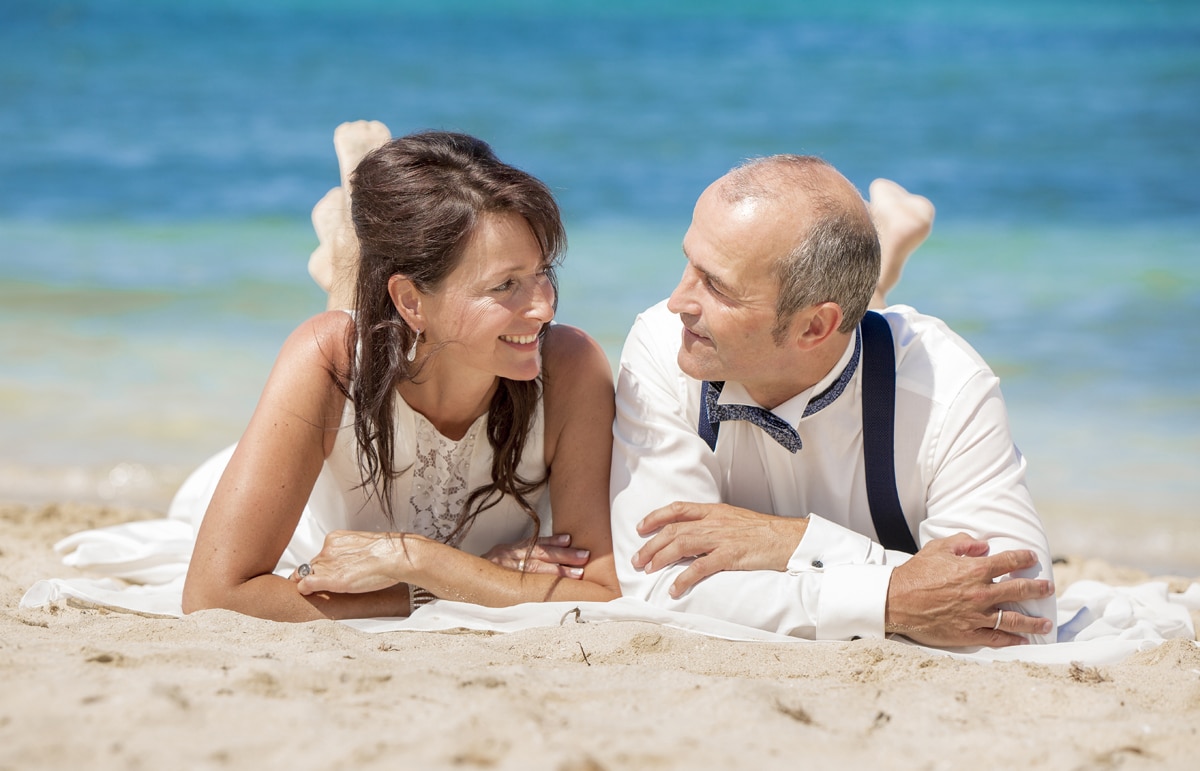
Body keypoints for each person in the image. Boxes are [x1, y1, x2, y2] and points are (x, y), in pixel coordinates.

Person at [609, 154, 1057, 648]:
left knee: (852, 327)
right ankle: (884, 245)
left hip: (845, 343)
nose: (677, 302)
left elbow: (1018, 615)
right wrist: (890, 598)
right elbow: (657, 585)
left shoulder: (947, 387)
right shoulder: (662, 343)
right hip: (822, 334)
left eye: (716, 285)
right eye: (689, 261)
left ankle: (884, 248)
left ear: (815, 326)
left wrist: (794, 540)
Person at [180, 128, 620, 621]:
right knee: (349, 343)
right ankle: (350, 260)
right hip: (288, 513)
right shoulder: (325, 357)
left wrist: (418, 560)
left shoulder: (569, 365)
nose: (544, 308)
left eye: (544, 272)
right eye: (506, 285)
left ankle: (352, 259)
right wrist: (456, 584)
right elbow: (215, 596)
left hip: (407, 336)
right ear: (411, 300)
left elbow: (602, 594)